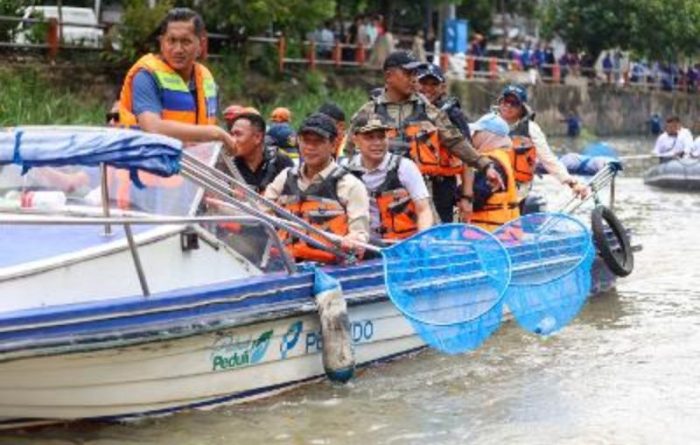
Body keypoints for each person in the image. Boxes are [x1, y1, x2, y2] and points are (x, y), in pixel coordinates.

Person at [345, 51, 503, 195]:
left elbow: (455, 141)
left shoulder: (429, 111)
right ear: (388, 76)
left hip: (419, 193)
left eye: (415, 73)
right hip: (375, 194)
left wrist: (486, 166)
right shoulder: (368, 112)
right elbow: (347, 152)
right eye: (407, 73)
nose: (414, 79)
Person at [118, 8, 234, 151]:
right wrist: (215, 133)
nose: (178, 49)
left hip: (192, 161)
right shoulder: (146, 76)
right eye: (171, 41)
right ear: (162, 43)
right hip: (145, 161)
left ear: (201, 45)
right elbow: (152, 127)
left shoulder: (207, 80)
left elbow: (214, 126)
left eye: (186, 42)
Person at [264, 113, 370, 263]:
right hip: (284, 267)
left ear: (333, 145)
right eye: (305, 141)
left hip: (330, 269)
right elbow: (260, 212)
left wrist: (353, 240)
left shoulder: (350, 185)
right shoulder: (285, 177)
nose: (310, 147)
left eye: (318, 141)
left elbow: (359, 233)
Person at [495, 84, 587, 208]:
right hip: (489, 187)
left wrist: (572, 183)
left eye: (514, 103)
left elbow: (548, 159)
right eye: (505, 101)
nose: (508, 106)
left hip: (517, 192)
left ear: (522, 108)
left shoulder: (531, 129)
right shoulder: (487, 123)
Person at [344, 114, 433, 241]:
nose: (377, 143)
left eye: (381, 137)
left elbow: (423, 209)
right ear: (355, 140)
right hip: (360, 244)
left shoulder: (405, 167)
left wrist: (423, 239)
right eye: (369, 137)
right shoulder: (344, 169)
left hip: (401, 244)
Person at [416, 63, 471, 223]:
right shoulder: (406, 111)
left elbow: (468, 156)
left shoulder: (453, 114)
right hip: (411, 184)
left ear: (443, 88)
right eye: (423, 83)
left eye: (434, 84)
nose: (428, 88)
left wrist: (467, 197)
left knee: (440, 230)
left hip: (442, 186)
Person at [461, 113, 519, 231]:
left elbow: (476, 200)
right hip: (506, 233)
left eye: (477, 132)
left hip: (489, 234)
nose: (473, 136)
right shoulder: (502, 156)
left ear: (487, 136)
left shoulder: (490, 163)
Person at [222, 113, 294, 194]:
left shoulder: (280, 161)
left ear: (258, 137)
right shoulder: (227, 164)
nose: (232, 140)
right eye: (231, 135)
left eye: (238, 134)